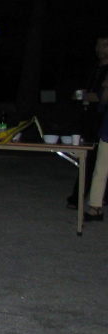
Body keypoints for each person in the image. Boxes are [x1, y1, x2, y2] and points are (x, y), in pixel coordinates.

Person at [67, 35, 108, 208]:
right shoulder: (94, 68)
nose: (100, 49)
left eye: (105, 45)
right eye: (98, 45)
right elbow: (84, 93)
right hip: (88, 116)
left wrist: (86, 96)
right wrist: (81, 95)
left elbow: (101, 97)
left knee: (92, 159)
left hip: (102, 119)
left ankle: (79, 198)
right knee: (89, 158)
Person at [83, 72, 108, 222]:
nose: (104, 81)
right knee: (100, 170)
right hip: (106, 133)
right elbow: (101, 106)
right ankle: (95, 208)